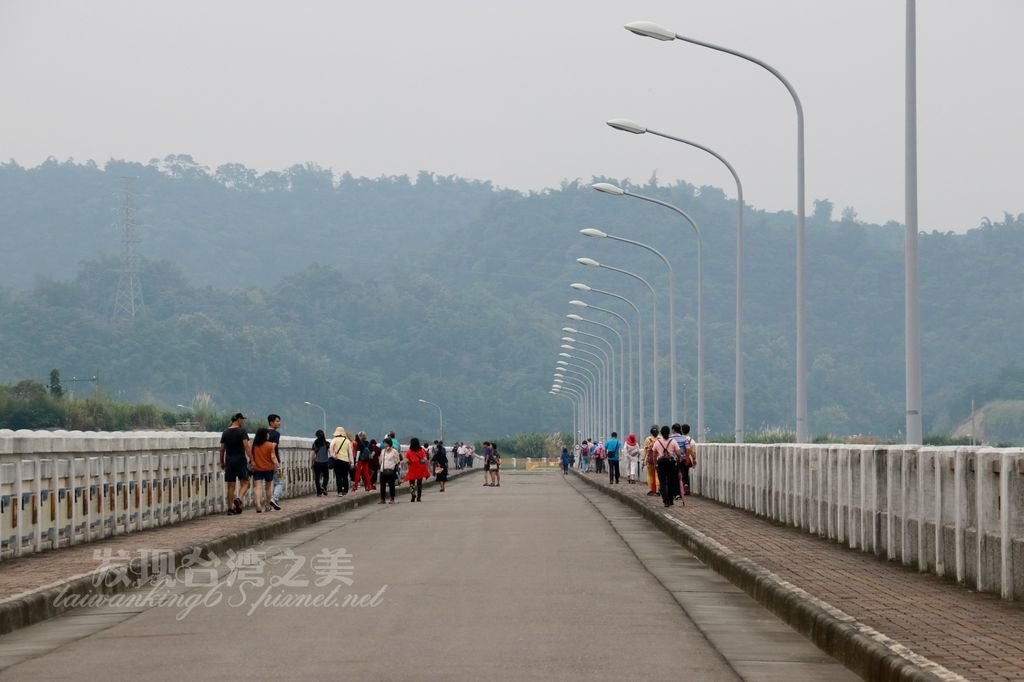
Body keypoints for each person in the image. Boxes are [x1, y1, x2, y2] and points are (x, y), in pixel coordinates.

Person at [219, 412, 252, 515]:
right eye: (242, 419)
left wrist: (222, 462)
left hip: (229, 460)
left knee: (230, 486)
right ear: (238, 419)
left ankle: (230, 509)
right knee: (246, 482)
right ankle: (239, 498)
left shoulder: (225, 432)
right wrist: (253, 459)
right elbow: (246, 447)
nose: (243, 422)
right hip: (240, 460)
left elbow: (221, 449)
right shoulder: (242, 431)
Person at [250, 427, 279, 512]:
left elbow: (253, 457)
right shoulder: (270, 445)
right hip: (269, 468)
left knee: (258, 487)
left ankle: (258, 504)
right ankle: (267, 505)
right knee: (268, 487)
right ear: (264, 435)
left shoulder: (255, 445)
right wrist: (277, 465)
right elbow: (273, 456)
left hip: (258, 468)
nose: (268, 435)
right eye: (267, 434)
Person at [653, 425, 681, 508]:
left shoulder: (657, 442)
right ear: (669, 432)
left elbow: (654, 455)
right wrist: (678, 460)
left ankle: (666, 500)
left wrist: (655, 464)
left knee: (662, 482)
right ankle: (671, 500)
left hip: (661, 464)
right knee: (671, 481)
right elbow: (679, 453)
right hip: (671, 463)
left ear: (661, 433)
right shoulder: (673, 441)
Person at [404, 437, 431, 502]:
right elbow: (425, 459)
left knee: (411, 483)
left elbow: (406, 459)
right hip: (420, 467)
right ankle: (419, 497)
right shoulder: (421, 450)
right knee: (419, 483)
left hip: (412, 468)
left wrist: (410, 461)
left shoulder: (409, 451)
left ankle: (413, 494)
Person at [329, 426, 353, 496]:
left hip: (337, 461)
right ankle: (345, 490)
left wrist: (334, 456)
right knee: (345, 476)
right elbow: (350, 452)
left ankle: (339, 492)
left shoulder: (334, 440)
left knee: (338, 477)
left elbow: (331, 449)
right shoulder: (347, 441)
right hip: (345, 461)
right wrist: (352, 462)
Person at [267, 414, 283, 510]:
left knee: (267, 483)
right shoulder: (276, 434)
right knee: (279, 482)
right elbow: (272, 448)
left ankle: (269, 504)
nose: (279, 423)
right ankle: (274, 499)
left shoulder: (263, 433)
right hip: (274, 460)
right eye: (277, 421)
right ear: (271, 422)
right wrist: (276, 464)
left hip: (263, 461)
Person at [378, 437, 401, 504]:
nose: (384, 445)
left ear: (389, 444)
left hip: (391, 471)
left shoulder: (394, 451)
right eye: (384, 443)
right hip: (383, 470)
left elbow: (397, 461)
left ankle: (392, 499)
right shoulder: (383, 451)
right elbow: (380, 461)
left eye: (385, 443)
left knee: (391, 485)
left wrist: (394, 467)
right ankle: (383, 499)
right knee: (382, 485)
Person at [310, 429, 331, 496]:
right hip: (325, 462)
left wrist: (312, 462)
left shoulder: (315, 443)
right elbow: (330, 453)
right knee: (326, 477)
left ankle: (319, 492)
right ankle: (324, 486)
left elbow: (312, 455)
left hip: (317, 463)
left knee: (317, 478)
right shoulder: (327, 444)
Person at [642, 426, 659, 496]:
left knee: (650, 475)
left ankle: (650, 489)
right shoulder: (660, 438)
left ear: (651, 433)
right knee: (657, 475)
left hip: (650, 459)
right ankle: (657, 490)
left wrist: (643, 460)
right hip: (658, 459)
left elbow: (645, 451)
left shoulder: (647, 439)